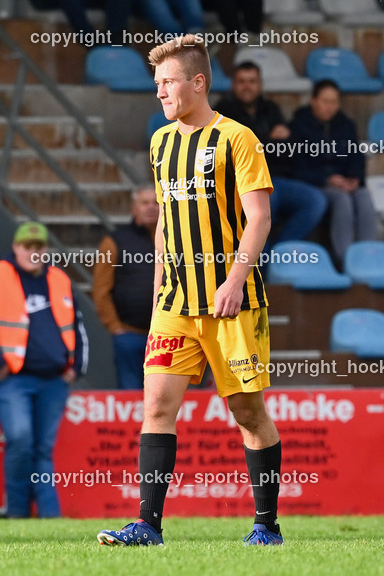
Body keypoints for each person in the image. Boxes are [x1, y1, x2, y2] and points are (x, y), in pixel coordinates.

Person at [98, 34, 282, 546]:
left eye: (167, 82)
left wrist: (235, 280)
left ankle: (266, 524)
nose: (159, 92)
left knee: (247, 412)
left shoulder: (238, 139)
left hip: (230, 301)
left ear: (197, 83)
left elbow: (260, 217)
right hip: (176, 303)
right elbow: (165, 222)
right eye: (155, 84)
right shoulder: (160, 142)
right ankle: (148, 525)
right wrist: (160, 285)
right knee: (156, 405)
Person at [0, 222, 87, 518]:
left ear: (46, 250)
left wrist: (76, 367)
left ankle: (50, 516)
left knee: (42, 448)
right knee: (20, 439)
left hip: (54, 379)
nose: (33, 252)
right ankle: (18, 512)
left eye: (39, 247)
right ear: (16, 248)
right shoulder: (2, 274)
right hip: (14, 378)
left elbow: (77, 325)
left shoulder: (59, 278)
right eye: (27, 247)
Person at [214, 62, 328, 249]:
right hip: (245, 182)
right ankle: (259, 264)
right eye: (241, 81)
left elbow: (288, 145)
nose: (247, 86)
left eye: (252, 81)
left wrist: (261, 143)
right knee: (265, 202)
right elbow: (235, 152)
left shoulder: (270, 108)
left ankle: (280, 253)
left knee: (315, 200)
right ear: (233, 84)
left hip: (277, 178)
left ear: (260, 84)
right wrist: (269, 140)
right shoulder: (222, 112)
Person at [290, 80, 377, 267]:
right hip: (316, 183)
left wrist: (355, 178)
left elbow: (356, 157)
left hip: (344, 181)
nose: (330, 107)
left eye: (334, 102)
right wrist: (327, 179)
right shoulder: (298, 126)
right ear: (313, 100)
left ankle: (368, 257)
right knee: (342, 200)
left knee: (364, 197)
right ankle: (346, 260)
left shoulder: (346, 125)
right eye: (325, 101)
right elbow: (296, 167)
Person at [93, 187, 159, 389]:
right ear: (134, 208)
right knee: (130, 399)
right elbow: (101, 289)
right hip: (129, 335)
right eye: (144, 203)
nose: (151, 207)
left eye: (156, 203)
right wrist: (115, 328)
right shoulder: (114, 241)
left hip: (165, 336)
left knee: (164, 396)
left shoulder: (176, 239)